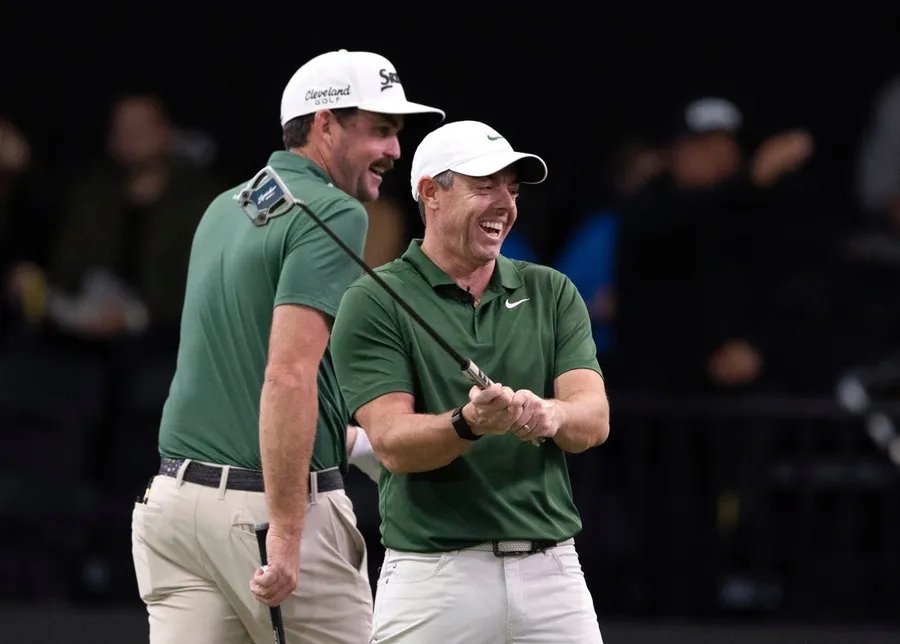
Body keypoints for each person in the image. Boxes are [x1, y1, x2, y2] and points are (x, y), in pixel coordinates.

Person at [130, 49, 444, 644]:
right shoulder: (333, 211)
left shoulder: (224, 207)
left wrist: (354, 441)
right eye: (380, 129)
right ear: (325, 124)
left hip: (172, 507)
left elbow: (242, 371)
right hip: (262, 512)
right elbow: (288, 376)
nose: (395, 150)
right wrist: (286, 529)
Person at [331, 120, 610, 643]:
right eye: (485, 186)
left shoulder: (551, 291)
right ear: (430, 193)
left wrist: (549, 413)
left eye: (512, 189)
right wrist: (469, 422)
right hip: (433, 576)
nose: (504, 203)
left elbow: (592, 420)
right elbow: (392, 443)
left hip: (552, 572)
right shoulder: (373, 300)